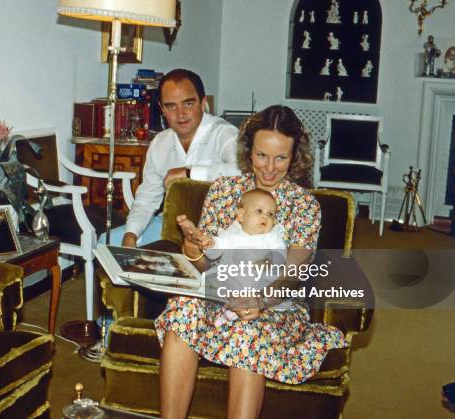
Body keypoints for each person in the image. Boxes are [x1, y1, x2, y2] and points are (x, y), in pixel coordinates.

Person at [155, 105, 347, 418]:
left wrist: (260, 300)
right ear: (248, 151)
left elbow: (294, 275)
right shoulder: (224, 191)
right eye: (261, 155)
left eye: (281, 158)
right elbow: (207, 266)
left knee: (248, 330)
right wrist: (193, 249)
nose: (269, 168)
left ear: (295, 156)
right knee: (182, 311)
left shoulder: (303, 204)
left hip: (275, 302)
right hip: (220, 292)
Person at [98, 68, 240, 248]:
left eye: (188, 104)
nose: (180, 114)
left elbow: (243, 173)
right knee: (107, 243)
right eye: (171, 106)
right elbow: (147, 198)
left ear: (203, 103)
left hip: (218, 228)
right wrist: (131, 235)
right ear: (161, 109)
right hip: (172, 224)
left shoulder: (225, 134)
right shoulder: (160, 143)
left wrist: (189, 173)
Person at [178, 188, 288, 327]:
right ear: (241, 215)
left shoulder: (272, 236)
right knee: (213, 281)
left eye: (271, 214)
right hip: (231, 282)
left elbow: (280, 254)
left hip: (257, 285)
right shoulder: (233, 233)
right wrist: (209, 243)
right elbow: (216, 252)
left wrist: (269, 261)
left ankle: (231, 315)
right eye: (259, 211)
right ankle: (226, 313)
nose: (265, 217)